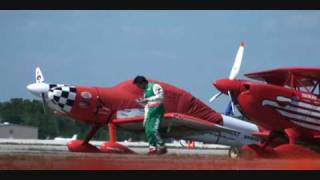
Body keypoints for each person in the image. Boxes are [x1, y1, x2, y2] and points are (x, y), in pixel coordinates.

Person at [133, 75, 167, 155]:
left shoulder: (155, 86)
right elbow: (146, 105)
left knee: (153, 129)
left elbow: (161, 97)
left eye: (138, 85)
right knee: (148, 130)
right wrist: (141, 103)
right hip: (149, 111)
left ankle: (162, 146)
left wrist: (147, 99)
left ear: (142, 82)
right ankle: (152, 149)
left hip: (157, 110)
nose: (138, 87)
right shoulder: (145, 92)